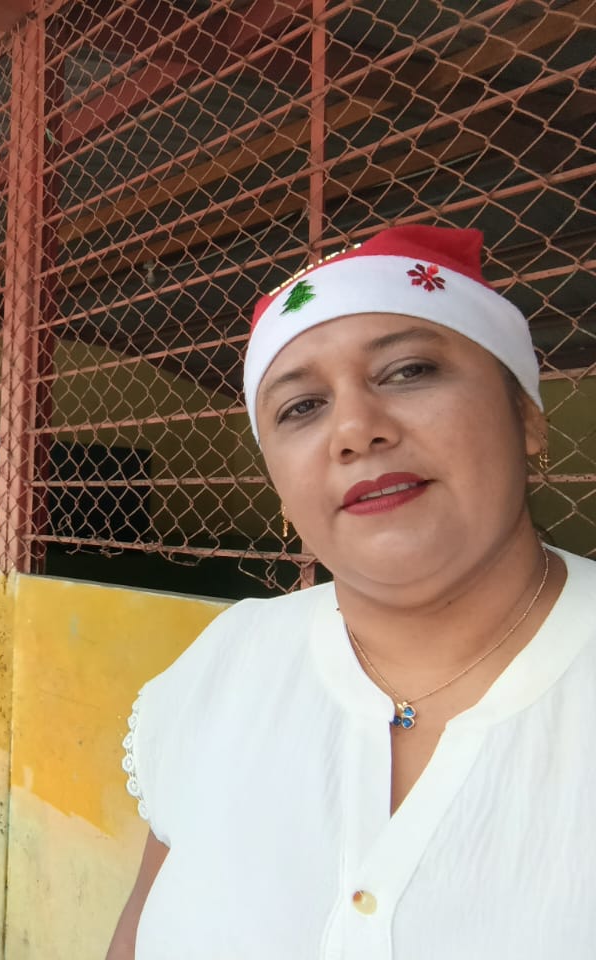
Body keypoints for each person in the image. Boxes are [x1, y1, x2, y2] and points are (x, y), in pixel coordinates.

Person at [106, 225, 596, 959]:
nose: (356, 430)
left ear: (526, 415)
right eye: (301, 407)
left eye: (408, 371)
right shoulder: (228, 663)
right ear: (279, 485)